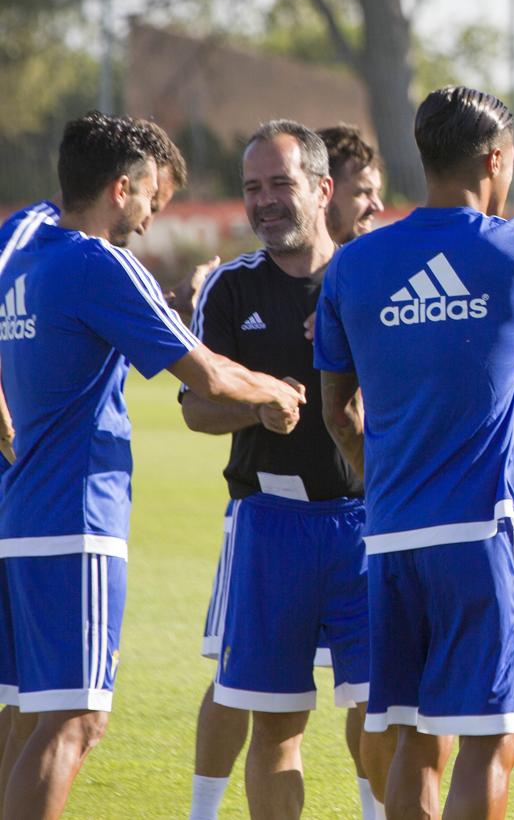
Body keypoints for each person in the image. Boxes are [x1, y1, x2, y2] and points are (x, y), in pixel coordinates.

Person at [0, 111, 303, 819]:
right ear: (119, 187)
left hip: (18, 520)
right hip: (73, 521)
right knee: (74, 719)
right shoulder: (96, 262)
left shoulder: (26, 256)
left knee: (25, 716)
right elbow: (204, 375)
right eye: (147, 198)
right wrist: (275, 392)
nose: (147, 218)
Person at [315, 86, 514, 818]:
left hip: (390, 534)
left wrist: (384, 482)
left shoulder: (353, 264)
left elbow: (337, 414)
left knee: (410, 739)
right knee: (487, 741)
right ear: (495, 159)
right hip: (479, 531)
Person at [181, 120, 386, 820]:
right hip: (269, 526)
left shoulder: (371, 280)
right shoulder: (233, 290)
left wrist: (355, 341)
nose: (264, 201)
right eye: (252, 188)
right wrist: (256, 406)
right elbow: (195, 410)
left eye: (280, 184)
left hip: (368, 524)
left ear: (322, 189)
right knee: (274, 723)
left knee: (382, 715)